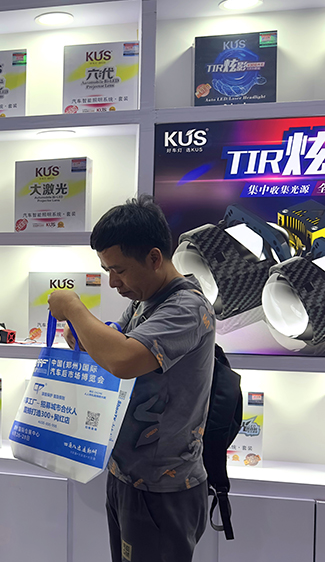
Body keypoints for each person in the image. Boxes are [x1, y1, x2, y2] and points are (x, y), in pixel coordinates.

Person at [48, 195, 215, 562]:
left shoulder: (187, 308)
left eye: (119, 270)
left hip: (164, 487)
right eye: (107, 270)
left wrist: (75, 308)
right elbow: (114, 346)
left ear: (154, 258)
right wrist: (82, 336)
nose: (113, 282)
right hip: (128, 475)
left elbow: (123, 359)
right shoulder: (146, 299)